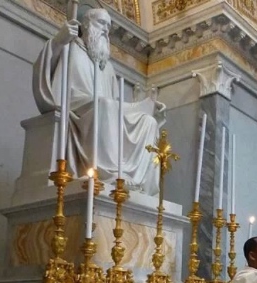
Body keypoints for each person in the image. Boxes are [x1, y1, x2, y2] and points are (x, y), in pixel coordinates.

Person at [33, 7, 166, 194]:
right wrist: (57, 42)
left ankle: (134, 180)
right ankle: (110, 173)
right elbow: (45, 74)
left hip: (102, 110)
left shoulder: (108, 68)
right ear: (86, 26)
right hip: (76, 106)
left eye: (109, 26)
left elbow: (118, 108)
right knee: (105, 105)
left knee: (149, 122)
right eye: (101, 23)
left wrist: (147, 107)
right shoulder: (70, 49)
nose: (105, 29)